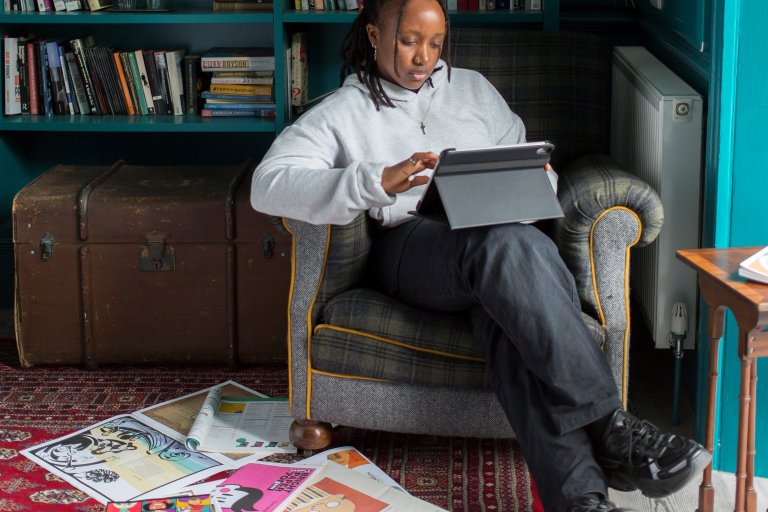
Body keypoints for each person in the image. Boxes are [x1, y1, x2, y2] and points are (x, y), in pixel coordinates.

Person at [249, 0, 710, 509]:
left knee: (509, 317)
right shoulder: (343, 110)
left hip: (502, 252)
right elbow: (267, 185)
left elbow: (533, 161)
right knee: (506, 242)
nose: (423, 57)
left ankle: (581, 500)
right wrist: (374, 180)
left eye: (435, 43)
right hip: (411, 250)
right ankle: (611, 427)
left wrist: (535, 179)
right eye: (408, 41)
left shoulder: (474, 90)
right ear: (375, 35)